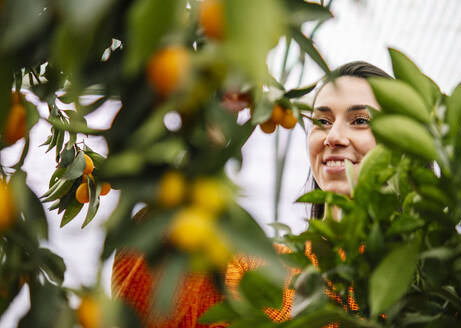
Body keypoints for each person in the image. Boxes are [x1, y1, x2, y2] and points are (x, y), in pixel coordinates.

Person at [111, 61, 392, 328]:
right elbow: (149, 284)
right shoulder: (264, 273)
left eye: (359, 120)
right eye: (322, 120)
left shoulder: (427, 284)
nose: (332, 136)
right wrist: (204, 146)